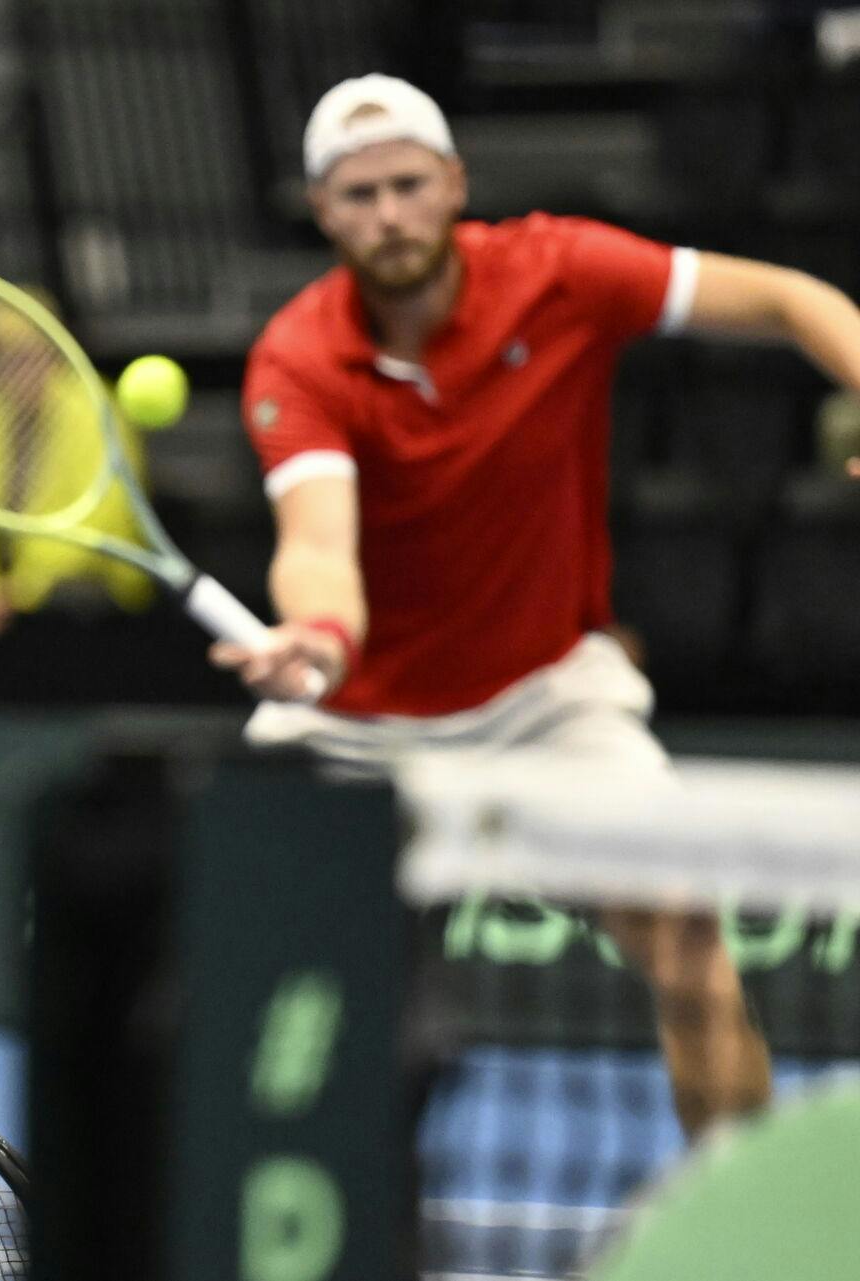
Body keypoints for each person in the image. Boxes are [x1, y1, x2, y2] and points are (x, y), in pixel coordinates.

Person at [213, 75, 860, 1136]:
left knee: (690, 946)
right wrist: (319, 648)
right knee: (235, 980)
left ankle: (739, 1237)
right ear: (323, 210)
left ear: (455, 183)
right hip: (353, 720)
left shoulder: (564, 270)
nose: (388, 214)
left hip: (547, 700)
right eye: (359, 193)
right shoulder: (297, 358)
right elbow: (319, 548)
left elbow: (793, 299)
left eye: (408, 185)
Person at [0, 297, 168, 640]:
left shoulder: (96, 410)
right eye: (0, 356)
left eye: (28, 354)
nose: (17, 368)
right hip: (22, 612)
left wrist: (23, 588)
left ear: (54, 352)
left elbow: (104, 516)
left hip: (104, 603)